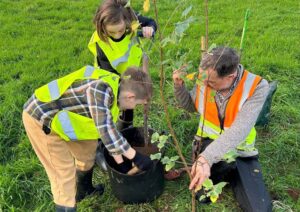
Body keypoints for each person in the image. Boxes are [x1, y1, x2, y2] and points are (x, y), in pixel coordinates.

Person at [22, 65, 153, 211]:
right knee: (63, 175)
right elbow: (107, 131)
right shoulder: (100, 91)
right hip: (41, 119)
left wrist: (122, 164)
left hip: (69, 117)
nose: (134, 108)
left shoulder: (118, 88)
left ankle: (84, 190)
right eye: (136, 104)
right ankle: (66, 206)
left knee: (87, 153)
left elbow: (109, 132)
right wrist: (136, 157)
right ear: (130, 96)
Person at [173, 47, 272, 211]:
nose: (204, 84)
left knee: (259, 208)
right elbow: (191, 106)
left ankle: (234, 170)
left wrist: (206, 158)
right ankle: (225, 170)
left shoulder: (256, 87)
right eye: (202, 78)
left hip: (240, 150)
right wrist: (178, 86)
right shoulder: (205, 77)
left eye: (211, 82)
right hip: (208, 143)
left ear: (230, 77)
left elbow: (240, 130)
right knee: (203, 197)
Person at [88, 0, 157, 130]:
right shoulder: (100, 42)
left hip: (129, 72)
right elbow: (109, 73)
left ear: (126, 20)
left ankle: (125, 125)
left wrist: (150, 28)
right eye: (111, 32)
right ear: (102, 27)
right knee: (111, 105)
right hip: (107, 77)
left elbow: (151, 22)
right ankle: (105, 132)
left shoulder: (132, 20)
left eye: (120, 30)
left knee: (128, 107)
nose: (117, 35)